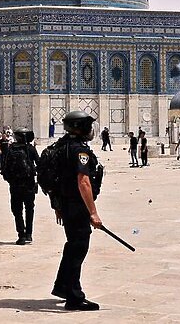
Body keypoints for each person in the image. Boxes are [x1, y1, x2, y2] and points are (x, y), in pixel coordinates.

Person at [51, 110, 103, 311]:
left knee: (72, 246)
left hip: (65, 205)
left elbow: (54, 180)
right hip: (76, 206)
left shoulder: (60, 148)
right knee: (78, 248)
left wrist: (57, 206)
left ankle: (62, 287)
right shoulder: (79, 151)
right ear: (81, 128)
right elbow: (84, 182)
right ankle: (74, 296)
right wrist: (93, 212)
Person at [2, 127, 39, 245]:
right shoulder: (30, 149)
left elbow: (5, 167)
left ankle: (21, 235)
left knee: (17, 210)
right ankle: (29, 233)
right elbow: (40, 164)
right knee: (29, 208)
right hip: (29, 184)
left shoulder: (10, 149)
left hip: (15, 185)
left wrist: (10, 179)